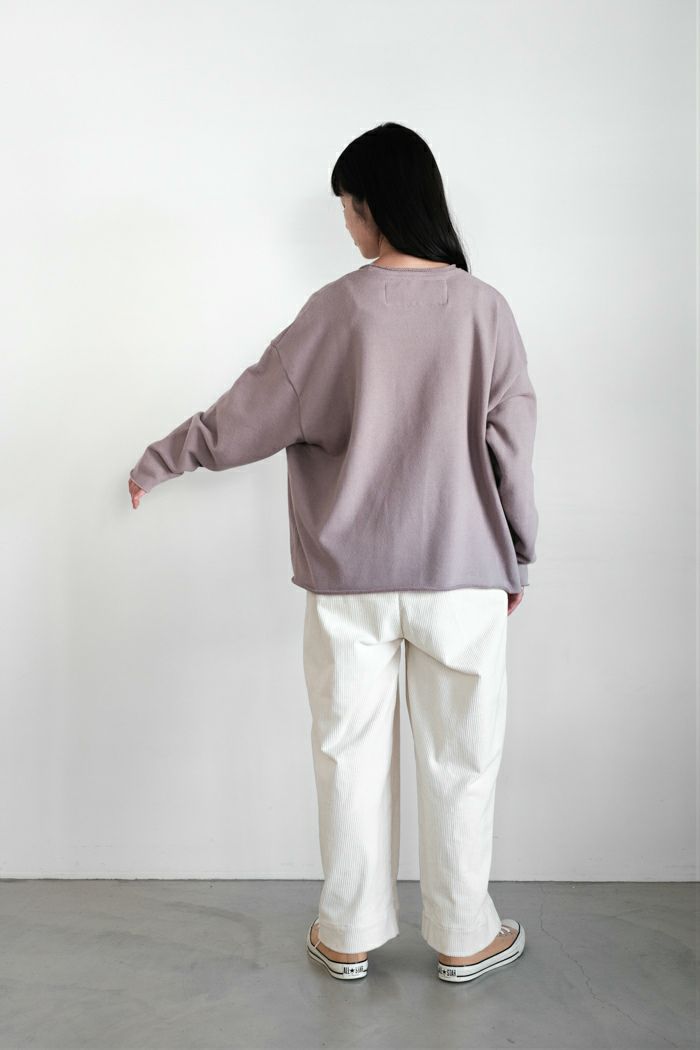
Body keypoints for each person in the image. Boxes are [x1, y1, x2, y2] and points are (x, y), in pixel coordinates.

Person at [128, 121, 538, 985]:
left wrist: (163, 460)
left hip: (351, 581)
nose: (346, 226)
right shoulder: (486, 309)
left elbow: (250, 412)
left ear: (373, 206)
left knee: (349, 757)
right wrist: (517, 553)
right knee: (463, 762)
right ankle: (465, 935)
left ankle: (347, 933)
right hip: (463, 573)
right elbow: (511, 441)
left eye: (347, 208)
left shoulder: (337, 310)